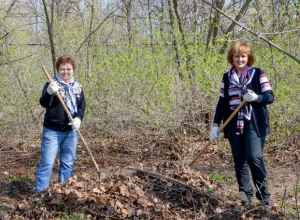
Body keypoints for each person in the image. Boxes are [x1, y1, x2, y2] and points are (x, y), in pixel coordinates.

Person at [210, 42, 274, 205]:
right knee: (240, 159)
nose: (240, 59)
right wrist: (216, 124)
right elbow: (222, 102)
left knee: (254, 157)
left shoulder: (258, 74)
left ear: (249, 58)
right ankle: (245, 193)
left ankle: (264, 195)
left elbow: (270, 96)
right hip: (233, 123)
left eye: (243, 56)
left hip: (254, 122)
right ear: (232, 58)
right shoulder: (227, 77)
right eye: (237, 56)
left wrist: (257, 98)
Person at [35, 55, 86, 193]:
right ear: (58, 69)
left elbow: (81, 106)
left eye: (68, 69)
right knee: (47, 163)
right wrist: (49, 92)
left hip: (71, 132)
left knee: (68, 164)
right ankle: (40, 195)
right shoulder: (52, 84)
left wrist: (79, 119)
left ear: (73, 70)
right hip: (52, 131)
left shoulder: (77, 87)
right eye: (62, 69)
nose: (66, 72)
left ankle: (63, 193)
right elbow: (44, 103)